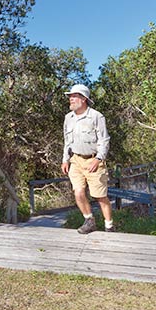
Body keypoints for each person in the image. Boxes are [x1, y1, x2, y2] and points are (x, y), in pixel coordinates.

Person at [61, 84, 114, 234]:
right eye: (70, 96)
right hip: (75, 160)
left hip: (93, 160)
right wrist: (65, 159)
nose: (70, 99)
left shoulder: (97, 117)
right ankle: (89, 220)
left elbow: (104, 140)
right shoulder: (68, 118)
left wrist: (98, 159)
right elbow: (67, 140)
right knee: (78, 192)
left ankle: (109, 226)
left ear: (83, 99)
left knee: (100, 196)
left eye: (74, 96)